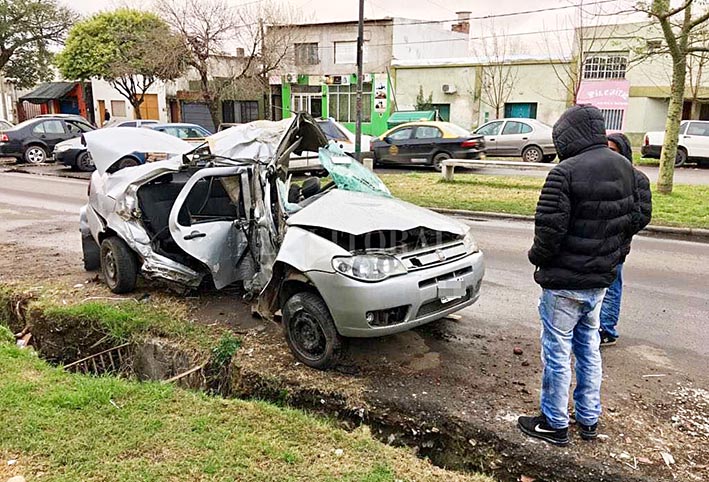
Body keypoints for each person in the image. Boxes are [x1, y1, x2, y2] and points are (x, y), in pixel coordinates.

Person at [518, 105, 641, 446]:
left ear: (567, 135)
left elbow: (549, 231)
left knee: (557, 353)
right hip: (600, 281)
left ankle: (554, 422)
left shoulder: (564, 173)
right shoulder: (627, 169)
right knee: (589, 349)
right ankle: (589, 418)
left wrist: (535, 258)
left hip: (563, 284)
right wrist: (614, 249)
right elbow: (638, 215)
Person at [599, 133, 652, 346]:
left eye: (613, 151)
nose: (608, 155)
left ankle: (607, 328)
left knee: (612, 285)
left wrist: (617, 229)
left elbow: (642, 215)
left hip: (617, 244)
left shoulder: (636, 178)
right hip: (596, 243)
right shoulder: (600, 174)